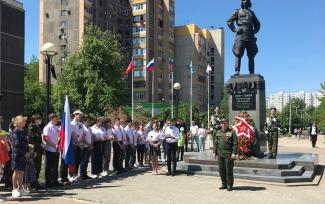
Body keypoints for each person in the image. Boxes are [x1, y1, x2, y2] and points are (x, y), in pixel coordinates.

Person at [227, 0, 260, 75]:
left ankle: (251, 72)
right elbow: (229, 21)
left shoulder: (251, 13)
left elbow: (257, 24)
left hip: (250, 35)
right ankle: (237, 71)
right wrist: (235, 29)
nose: (245, 1)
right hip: (241, 34)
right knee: (238, 53)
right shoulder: (237, 11)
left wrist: (254, 32)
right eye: (243, 0)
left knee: (251, 55)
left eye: (246, 0)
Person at [213, 118, 237, 191]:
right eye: (222, 123)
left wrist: (233, 153)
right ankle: (224, 183)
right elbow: (215, 143)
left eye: (224, 123)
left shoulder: (232, 132)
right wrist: (214, 152)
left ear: (227, 123)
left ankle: (229, 185)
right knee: (221, 169)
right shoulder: (218, 132)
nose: (223, 124)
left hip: (228, 154)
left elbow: (235, 144)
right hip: (220, 154)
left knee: (228, 170)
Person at [11, 115, 29, 197]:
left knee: (21, 171)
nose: (25, 122)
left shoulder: (23, 131)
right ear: (18, 122)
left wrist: (28, 150)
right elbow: (16, 144)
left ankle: (20, 188)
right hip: (17, 154)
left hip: (23, 154)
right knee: (16, 171)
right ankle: (14, 189)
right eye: (23, 121)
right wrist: (24, 152)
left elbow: (25, 143)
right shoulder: (15, 131)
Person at [43, 113, 60, 189]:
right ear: (51, 118)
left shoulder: (56, 127)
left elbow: (58, 136)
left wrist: (59, 143)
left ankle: (54, 180)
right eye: (56, 118)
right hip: (50, 149)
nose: (57, 120)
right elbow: (46, 138)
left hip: (56, 149)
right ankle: (48, 182)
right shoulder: (47, 127)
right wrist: (54, 145)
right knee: (49, 166)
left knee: (55, 166)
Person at [27, 114, 43, 190]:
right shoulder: (31, 127)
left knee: (38, 166)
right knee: (34, 167)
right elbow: (31, 140)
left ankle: (36, 181)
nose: (41, 120)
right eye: (39, 119)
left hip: (38, 149)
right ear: (35, 119)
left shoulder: (37, 127)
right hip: (34, 150)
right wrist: (40, 144)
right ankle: (33, 183)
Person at [70, 110, 84, 181]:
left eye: (81, 116)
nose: (81, 117)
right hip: (74, 145)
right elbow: (73, 135)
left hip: (80, 144)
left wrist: (81, 142)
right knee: (74, 161)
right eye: (79, 115)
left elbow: (83, 134)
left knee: (78, 160)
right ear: (75, 115)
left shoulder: (81, 124)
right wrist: (78, 143)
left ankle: (76, 174)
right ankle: (72, 175)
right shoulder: (71, 124)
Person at [0, 130, 10, 201]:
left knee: (0, 177)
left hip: (2, 162)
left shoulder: (3, 141)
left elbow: (9, 149)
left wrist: (5, 141)